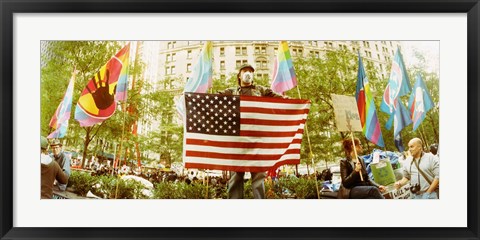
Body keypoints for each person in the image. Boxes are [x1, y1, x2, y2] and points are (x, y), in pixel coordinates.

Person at [218, 64, 284, 199]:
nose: (248, 73)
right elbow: (217, 97)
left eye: (250, 71)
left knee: (258, 174)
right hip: (238, 137)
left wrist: (292, 102)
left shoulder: (261, 90)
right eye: (245, 71)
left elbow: (278, 98)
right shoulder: (232, 91)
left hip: (256, 136)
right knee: (236, 174)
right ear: (239, 75)